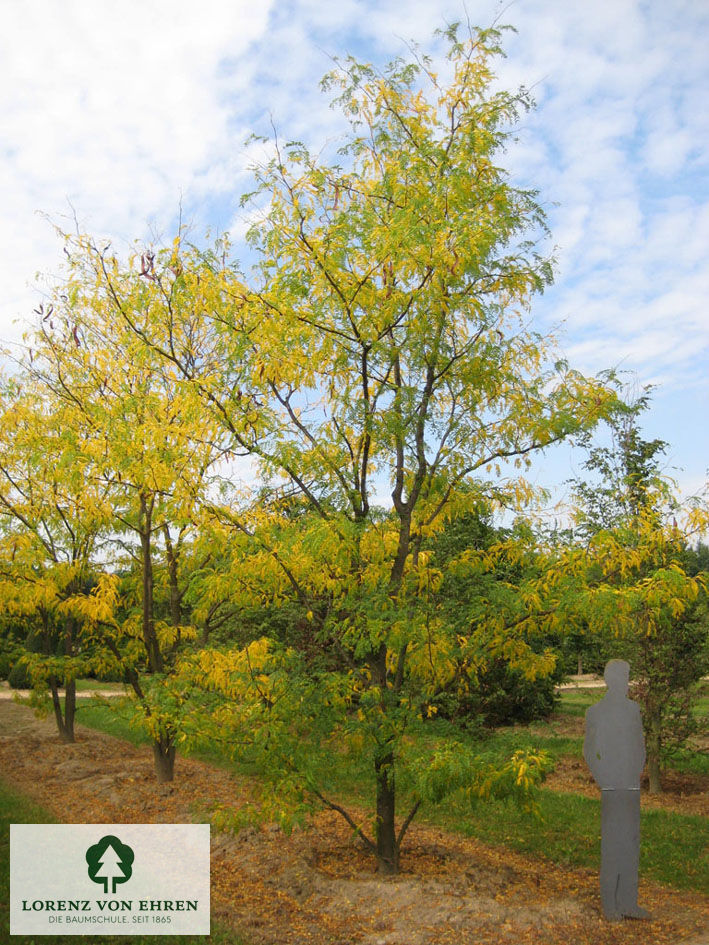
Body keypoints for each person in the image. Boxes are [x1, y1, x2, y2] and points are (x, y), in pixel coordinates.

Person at [583, 659, 651, 920]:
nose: (625, 682)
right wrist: (603, 777)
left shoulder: (633, 710)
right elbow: (590, 751)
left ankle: (628, 903)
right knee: (613, 844)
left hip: (631, 783)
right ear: (610, 680)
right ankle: (610, 905)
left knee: (631, 843)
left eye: (627, 677)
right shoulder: (595, 712)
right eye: (621, 677)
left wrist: (637, 769)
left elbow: (639, 744)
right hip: (611, 785)